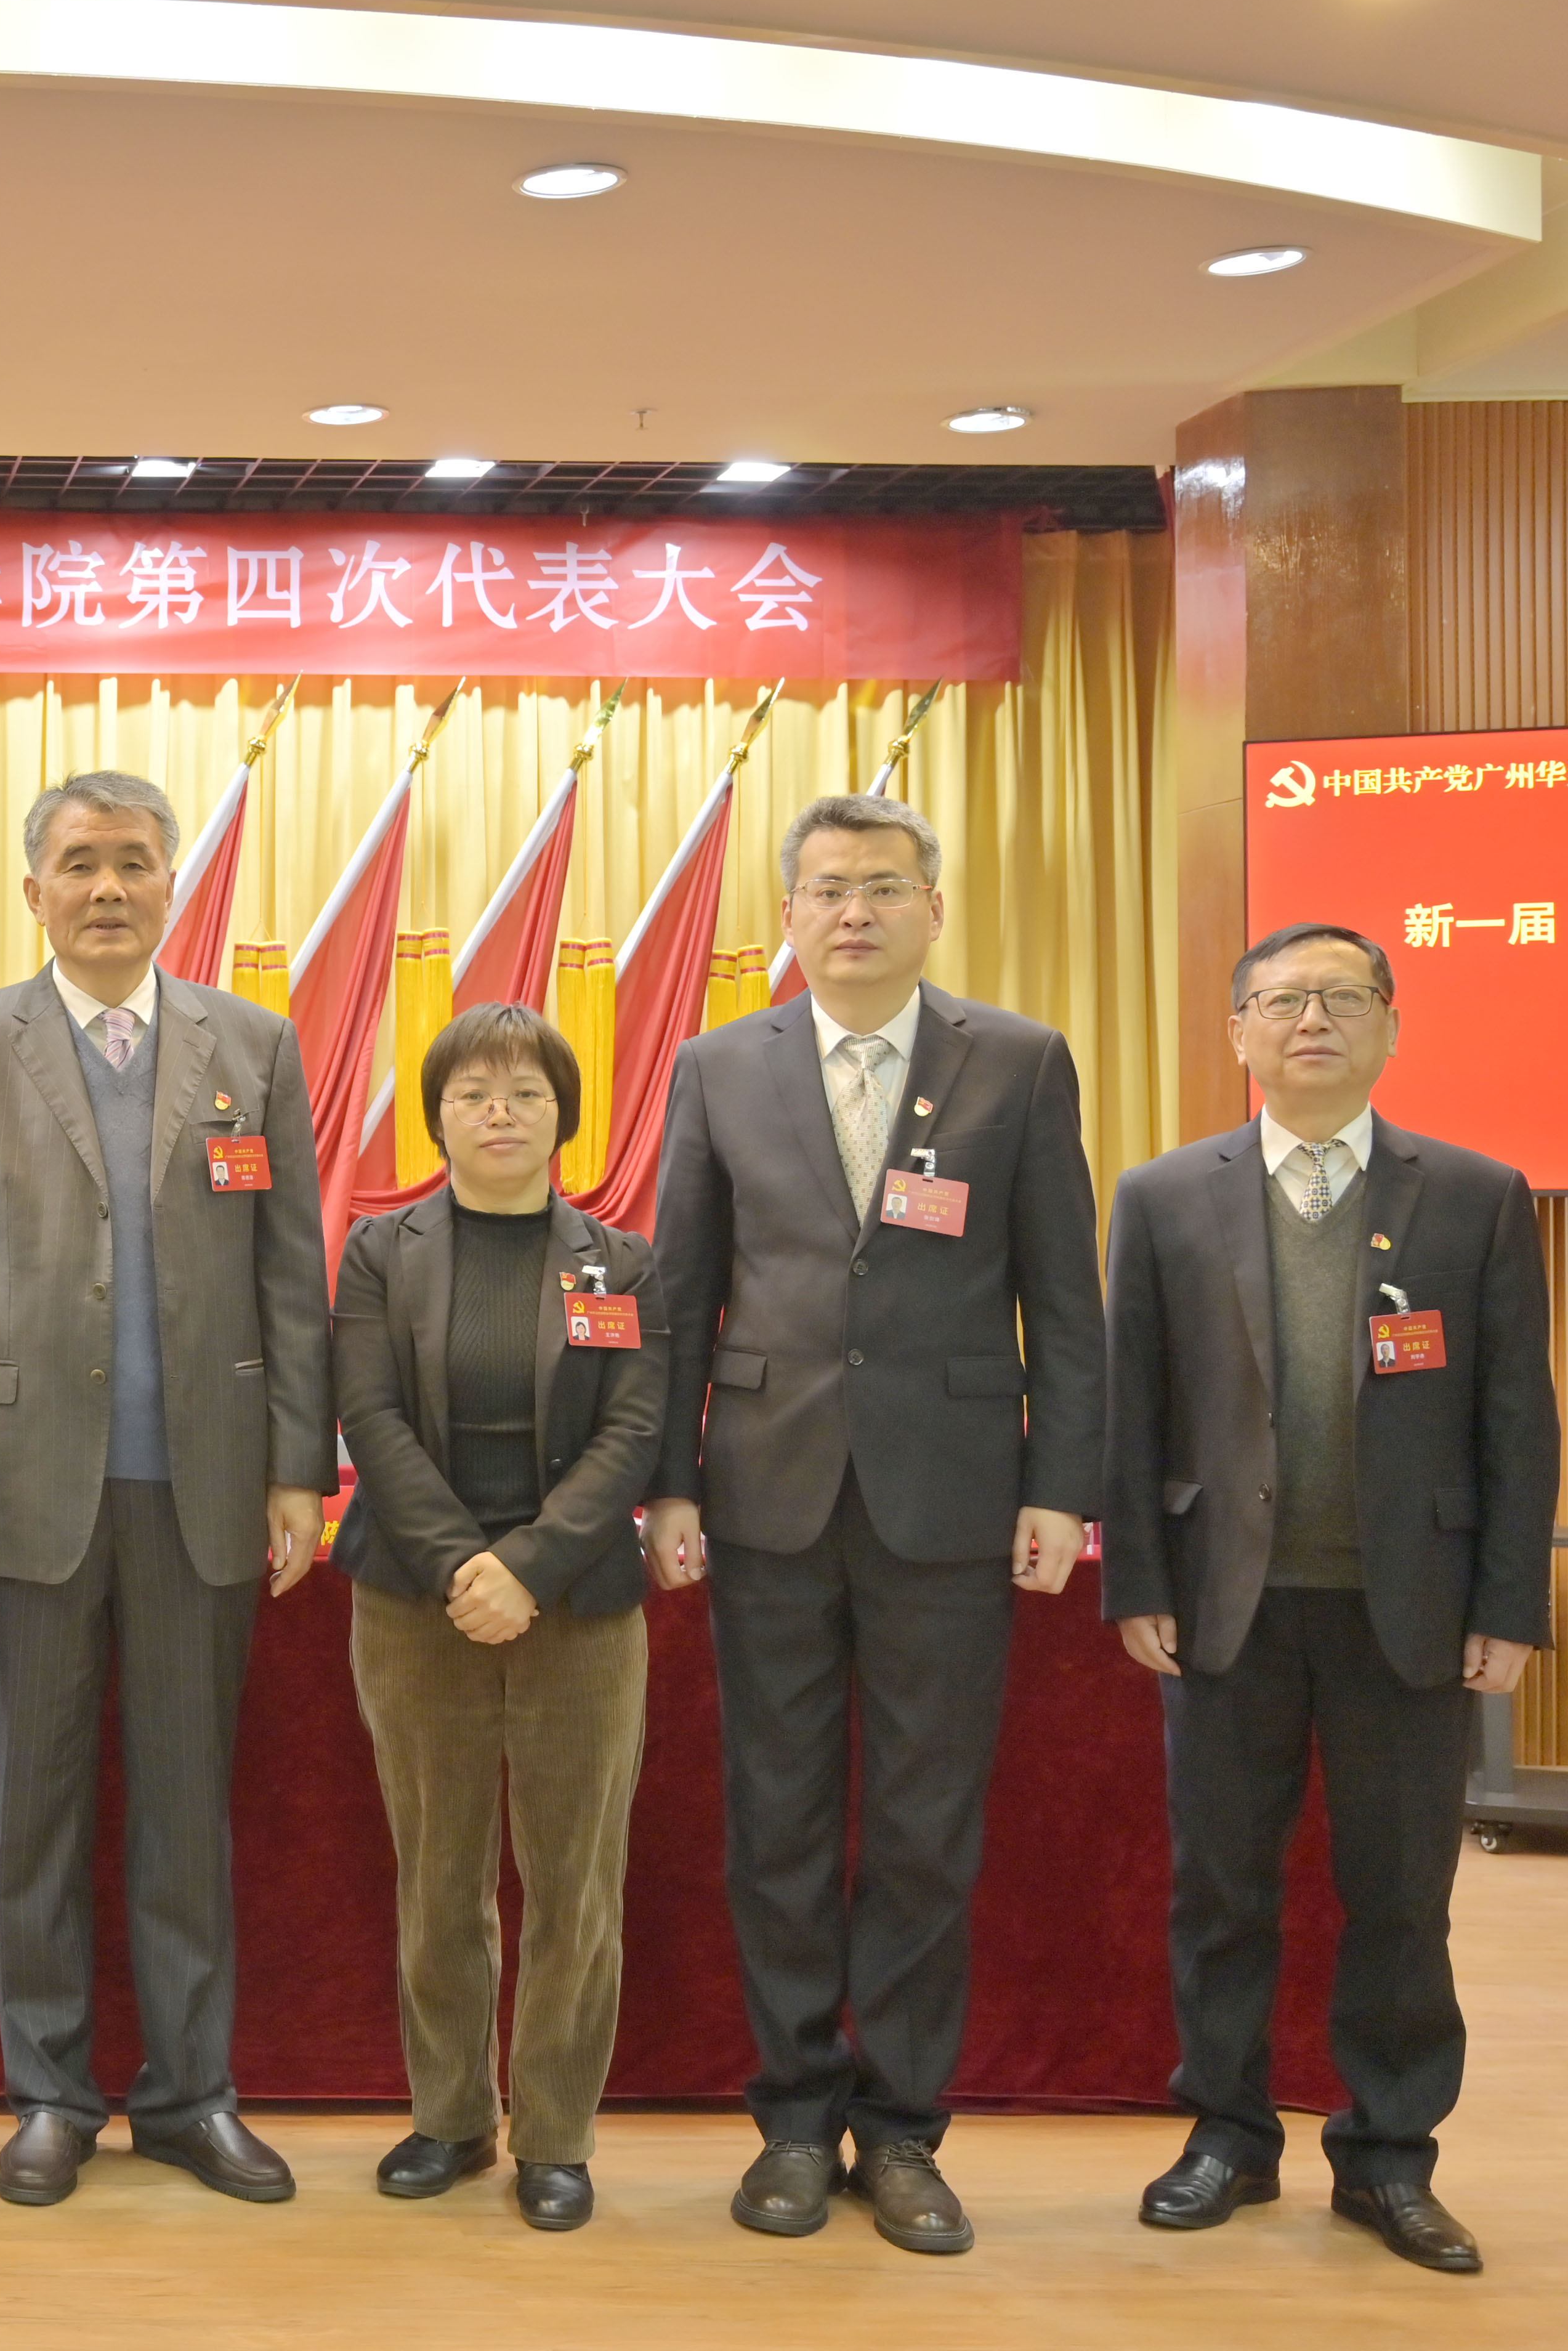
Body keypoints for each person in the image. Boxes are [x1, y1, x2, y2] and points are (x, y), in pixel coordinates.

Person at [645, 790, 1104, 2256]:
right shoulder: (720, 1064)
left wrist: (1061, 1484)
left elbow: (1065, 1294)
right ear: (789, 913)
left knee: (924, 1824)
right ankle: (793, 2118)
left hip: (954, 1497)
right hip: (765, 1493)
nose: (856, 910)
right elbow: (679, 1290)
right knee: (776, 1820)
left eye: (885, 886)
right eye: (831, 887)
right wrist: (669, 1478)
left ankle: (903, 2128)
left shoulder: (1018, 1062)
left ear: (932, 908)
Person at [0, 769, 333, 2209]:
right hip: (24, 1484)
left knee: (188, 1807)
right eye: (78, 862)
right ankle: (49, 2092)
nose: (106, 887)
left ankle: (194, 2093)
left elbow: (292, 1267)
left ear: (172, 885)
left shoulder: (252, 1045)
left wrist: (297, 1463)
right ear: (33, 890)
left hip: (208, 1482)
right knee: (38, 1806)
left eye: (134, 862)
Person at [1100, 923, 1554, 2275]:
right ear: (1238, 1029)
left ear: (1391, 1027)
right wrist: (1137, 1577)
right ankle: (1228, 2135)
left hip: (1408, 1606)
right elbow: (1132, 1407)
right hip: (1223, 1604)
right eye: (1284, 1000)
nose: (1313, 1020)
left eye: (1344, 998)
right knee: (1223, 1888)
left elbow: (1518, 1415)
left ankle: (1390, 2155)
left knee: (1402, 1895)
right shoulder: (1164, 1195)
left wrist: (1510, 1602)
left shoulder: (1474, 1193)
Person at [333, 1003, 666, 2234]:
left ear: (563, 1115)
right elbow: (371, 1417)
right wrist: (464, 1565)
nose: (500, 1113)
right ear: (438, 1116)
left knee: (576, 1882)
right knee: (440, 1873)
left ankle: (557, 2135)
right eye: (473, 1092)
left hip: (580, 1603)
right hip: (415, 1599)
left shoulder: (622, 1262)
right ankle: (451, 2116)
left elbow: (634, 1429)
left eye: (526, 1093)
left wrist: (527, 1565)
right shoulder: (382, 1251)